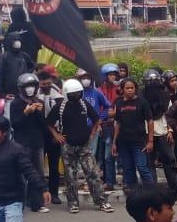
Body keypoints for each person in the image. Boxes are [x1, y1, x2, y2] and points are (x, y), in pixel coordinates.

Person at [47, 79, 113, 213]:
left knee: (93, 173)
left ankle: (101, 202)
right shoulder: (60, 107)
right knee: (70, 176)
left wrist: (92, 134)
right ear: (66, 94)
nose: (76, 96)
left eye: (78, 93)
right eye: (73, 94)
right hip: (68, 146)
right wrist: (56, 135)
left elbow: (96, 120)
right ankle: (73, 204)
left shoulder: (84, 104)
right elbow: (49, 123)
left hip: (85, 145)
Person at [9, 73, 50, 213]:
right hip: (21, 143)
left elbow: (42, 124)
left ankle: (37, 203)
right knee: (21, 173)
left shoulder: (39, 101)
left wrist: (38, 111)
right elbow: (15, 124)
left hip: (37, 142)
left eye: (32, 86)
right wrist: (26, 112)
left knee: (37, 172)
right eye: (27, 86)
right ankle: (18, 202)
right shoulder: (16, 103)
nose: (30, 89)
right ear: (22, 88)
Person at [142, 69, 177, 198]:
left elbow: (169, 115)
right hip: (146, 134)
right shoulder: (141, 97)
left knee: (170, 161)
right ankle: (153, 191)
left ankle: (176, 189)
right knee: (149, 164)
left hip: (164, 133)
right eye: (150, 82)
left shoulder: (165, 97)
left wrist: (170, 130)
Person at [112, 79, 155, 192]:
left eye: (132, 88)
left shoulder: (142, 102)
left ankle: (152, 191)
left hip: (139, 142)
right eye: (127, 88)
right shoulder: (119, 103)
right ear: (122, 90)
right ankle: (134, 191)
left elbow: (150, 121)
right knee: (128, 168)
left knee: (142, 167)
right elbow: (118, 123)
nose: (130, 90)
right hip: (123, 142)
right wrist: (114, 142)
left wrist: (150, 141)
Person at [37, 69, 65, 204]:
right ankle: (39, 194)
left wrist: (58, 133)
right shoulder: (33, 97)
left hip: (54, 136)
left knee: (54, 167)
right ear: (38, 84)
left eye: (48, 83)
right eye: (43, 84)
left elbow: (61, 117)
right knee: (38, 167)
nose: (46, 86)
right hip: (38, 136)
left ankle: (54, 194)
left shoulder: (58, 97)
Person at [96, 63, 121, 189]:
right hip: (103, 124)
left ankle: (110, 181)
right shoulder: (100, 90)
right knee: (102, 155)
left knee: (109, 155)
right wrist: (98, 123)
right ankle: (107, 179)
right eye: (110, 74)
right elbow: (98, 108)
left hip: (114, 124)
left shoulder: (118, 89)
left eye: (114, 74)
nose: (113, 77)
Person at [0, 33, 35, 100]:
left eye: (18, 40)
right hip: (10, 94)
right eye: (15, 40)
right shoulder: (5, 57)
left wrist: (26, 74)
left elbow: (32, 66)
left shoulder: (24, 55)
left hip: (24, 92)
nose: (17, 42)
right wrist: (2, 94)